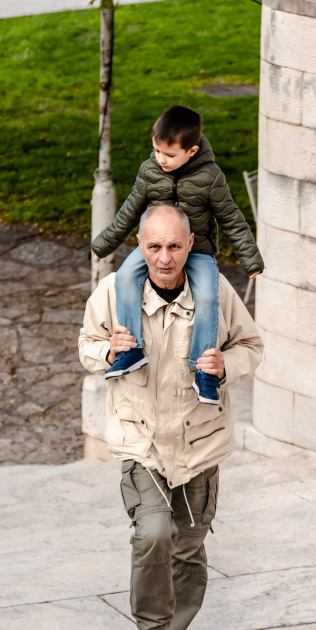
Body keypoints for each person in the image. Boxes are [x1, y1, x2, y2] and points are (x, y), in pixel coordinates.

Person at [79, 204, 263, 630]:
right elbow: (86, 345)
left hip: (199, 445)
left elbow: (251, 346)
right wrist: (108, 351)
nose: (165, 257)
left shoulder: (215, 292)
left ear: (189, 247)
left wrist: (227, 366)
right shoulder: (113, 294)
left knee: (188, 551)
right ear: (141, 246)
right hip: (143, 444)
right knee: (154, 534)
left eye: (175, 246)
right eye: (154, 246)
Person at [91, 105, 264, 405]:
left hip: (197, 251)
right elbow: (130, 211)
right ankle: (132, 350)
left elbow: (231, 218)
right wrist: (104, 244)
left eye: (169, 155)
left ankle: (204, 370)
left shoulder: (211, 178)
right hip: (159, 242)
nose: (161, 159)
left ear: (192, 150)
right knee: (125, 276)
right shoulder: (149, 171)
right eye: (156, 151)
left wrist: (250, 258)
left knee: (209, 296)